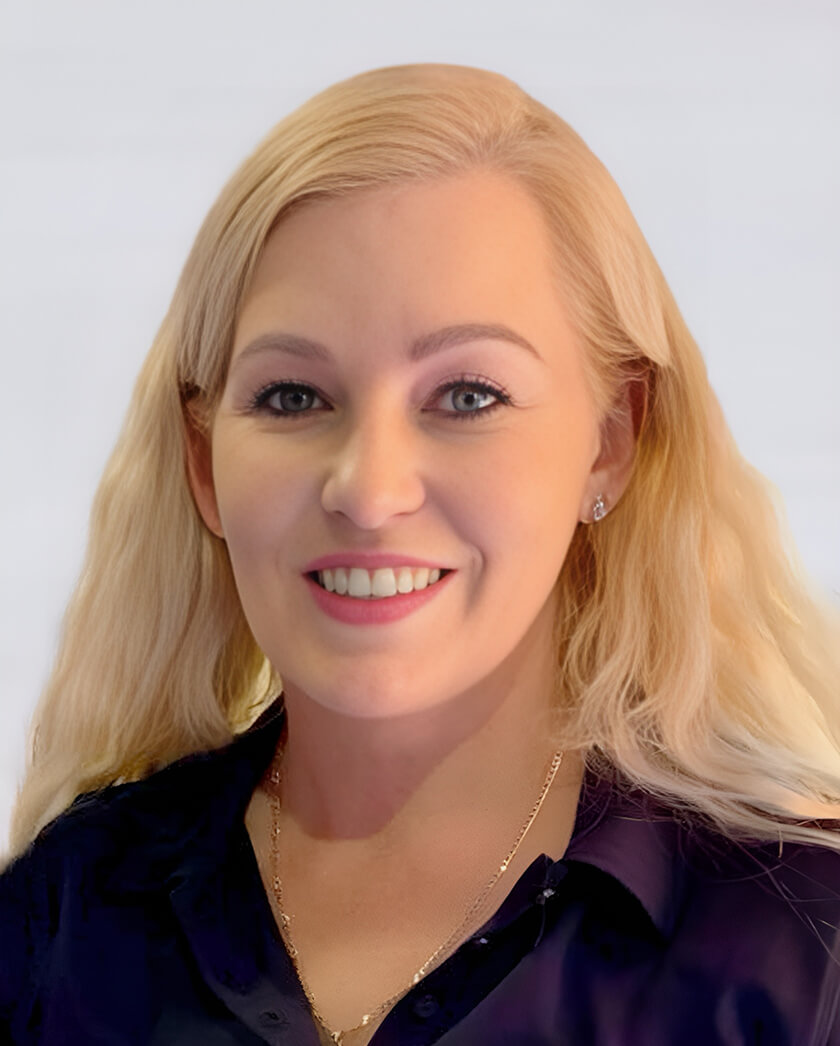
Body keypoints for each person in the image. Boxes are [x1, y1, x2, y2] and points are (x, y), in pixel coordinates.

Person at [2, 62, 840, 1046]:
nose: (367, 486)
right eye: (292, 396)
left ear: (610, 439)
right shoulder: (57, 928)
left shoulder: (802, 955)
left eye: (468, 395)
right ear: (203, 461)